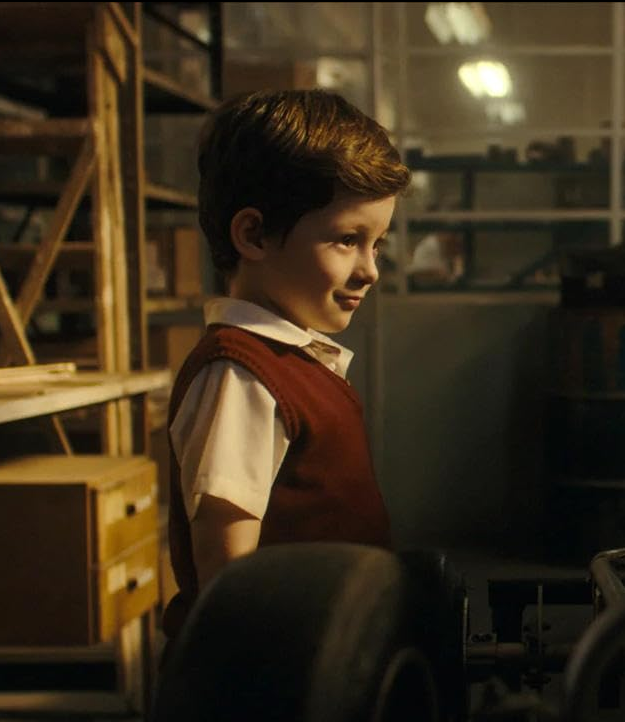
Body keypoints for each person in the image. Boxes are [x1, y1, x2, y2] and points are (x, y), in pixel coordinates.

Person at [161, 89, 410, 642]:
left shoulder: (292, 362)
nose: (370, 270)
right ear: (253, 235)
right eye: (347, 240)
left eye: (377, 245)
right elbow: (228, 574)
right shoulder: (240, 375)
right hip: (277, 670)